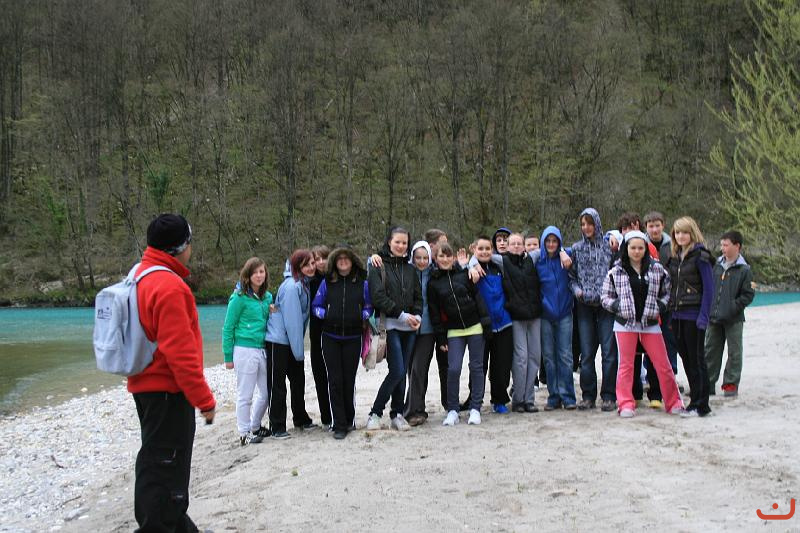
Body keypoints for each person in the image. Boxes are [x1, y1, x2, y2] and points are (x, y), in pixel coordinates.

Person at [128, 213, 216, 532]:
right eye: (190, 242)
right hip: (168, 392)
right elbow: (180, 354)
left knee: (156, 461)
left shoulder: (139, 275)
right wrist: (204, 401)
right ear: (181, 247)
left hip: (145, 387)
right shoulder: (169, 286)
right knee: (166, 469)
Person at [601, 231, 684, 418]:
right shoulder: (616, 271)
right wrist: (618, 306)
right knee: (626, 366)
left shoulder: (657, 270)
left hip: (650, 323)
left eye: (640, 248)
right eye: (633, 248)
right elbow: (605, 297)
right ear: (626, 248)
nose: (637, 251)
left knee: (663, 364)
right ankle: (625, 403)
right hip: (625, 324)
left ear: (646, 249)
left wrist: (659, 306)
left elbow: (667, 292)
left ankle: (674, 402)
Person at [311, 246, 372, 439]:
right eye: (340, 259)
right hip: (330, 337)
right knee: (335, 380)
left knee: (349, 380)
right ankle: (339, 424)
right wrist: (326, 314)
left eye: (347, 258)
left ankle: (349, 419)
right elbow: (316, 306)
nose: (343, 261)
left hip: (353, 338)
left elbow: (369, 306)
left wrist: (363, 314)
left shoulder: (362, 283)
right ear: (335, 262)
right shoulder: (327, 283)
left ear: (353, 261)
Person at [366, 226, 422, 431]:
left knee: (402, 372)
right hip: (390, 326)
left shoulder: (411, 269)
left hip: (410, 328)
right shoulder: (378, 265)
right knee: (397, 370)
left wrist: (417, 315)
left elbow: (418, 297)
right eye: (397, 242)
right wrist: (402, 315)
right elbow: (378, 296)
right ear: (389, 241)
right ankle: (375, 413)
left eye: (404, 242)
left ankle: (397, 414)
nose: (401, 246)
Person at [427, 243, 490, 426]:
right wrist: (441, 338)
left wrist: (485, 323)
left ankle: (475, 408)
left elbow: (478, 298)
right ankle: (453, 409)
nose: (445, 259)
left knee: (476, 367)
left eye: (448, 256)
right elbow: (435, 313)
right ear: (435, 259)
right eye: (441, 256)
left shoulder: (464, 274)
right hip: (453, 330)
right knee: (453, 369)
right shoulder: (433, 283)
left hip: (475, 326)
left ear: (453, 257)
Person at [265, 250, 317, 439]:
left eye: (312, 263)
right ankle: (277, 426)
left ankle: (300, 418)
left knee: (298, 381)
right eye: (306, 265)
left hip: (290, 340)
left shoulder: (304, 283)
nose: (311, 267)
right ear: (297, 267)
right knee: (277, 385)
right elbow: (293, 322)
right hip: (278, 341)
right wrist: (299, 352)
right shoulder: (292, 287)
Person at [569, 208, 615, 412]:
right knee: (587, 354)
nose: (586, 227)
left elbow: (617, 273)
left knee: (609, 353)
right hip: (584, 306)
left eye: (590, 223)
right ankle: (588, 396)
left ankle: (609, 396)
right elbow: (571, 277)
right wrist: (578, 291)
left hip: (606, 307)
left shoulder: (609, 247)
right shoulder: (576, 249)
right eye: (583, 224)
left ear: (597, 224)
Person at [222, 257, 272, 446]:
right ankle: (244, 433)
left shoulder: (267, 297)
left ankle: (255, 425)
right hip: (244, 350)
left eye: (262, 271)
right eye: (255, 272)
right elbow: (228, 328)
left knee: (266, 392)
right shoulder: (239, 298)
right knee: (245, 394)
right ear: (248, 275)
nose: (259, 275)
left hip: (262, 349)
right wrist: (228, 357)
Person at [667, 216, 714, 417]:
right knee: (686, 360)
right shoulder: (674, 257)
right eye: (677, 232)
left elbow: (709, 289)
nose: (681, 236)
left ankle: (701, 405)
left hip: (694, 315)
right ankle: (695, 400)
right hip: (677, 316)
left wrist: (703, 317)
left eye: (684, 232)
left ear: (692, 233)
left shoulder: (701, 256)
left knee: (696, 361)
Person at [705, 230, 755, 398]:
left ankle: (730, 384)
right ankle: (708, 384)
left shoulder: (744, 269)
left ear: (737, 246)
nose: (722, 248)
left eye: (726, 245)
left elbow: (748, 295)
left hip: (734, 318)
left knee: (734, 352)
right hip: (714, 316)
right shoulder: (716, 265)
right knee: (710, 350)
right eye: (722, 245)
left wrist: (733, 307)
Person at [532, 226, 577, 410]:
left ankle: (568, 396)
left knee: (565, 356)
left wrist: (564, 252)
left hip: (565, 313)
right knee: (549, 358)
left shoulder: (567, 256)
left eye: (554, 241)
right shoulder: (537, 261)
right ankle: (554, 396)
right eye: (548, 241)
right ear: (543, 242)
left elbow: (589, 244)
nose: (551, 244)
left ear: (559, 242)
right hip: (545, 315)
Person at [502, 233, 543, 413]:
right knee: (521, 359)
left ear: (524, 246)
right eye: (513, 243)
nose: (517, 246)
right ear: (507, 246)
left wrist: (564, 252)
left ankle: (529, 399)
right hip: (517, 316)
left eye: (519, 243)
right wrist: (471, 265)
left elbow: (553, 248)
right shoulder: (502, 261)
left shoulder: (531, 259)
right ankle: (518, 399)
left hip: (534, 315)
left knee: (535, 357)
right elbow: (478, 258)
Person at [404, 241, 436, 426]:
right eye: (418, 258)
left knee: (419, 369)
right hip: (409, 327)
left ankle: (411, 411)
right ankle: (418, 409)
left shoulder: (434, 273)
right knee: (412, 371)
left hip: (428, 330)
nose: (422, 261)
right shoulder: (408, 272)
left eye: (425, 258)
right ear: (412, 258)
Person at [644, 211, 680, 376]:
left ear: (663, 226)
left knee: (669, 339)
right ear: (646, 227)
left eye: (657, 226)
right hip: (647, 301)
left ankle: (671, 374)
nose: (654, 230)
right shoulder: (640, 243)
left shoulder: (672, 245)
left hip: (669, 300)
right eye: (651, 226)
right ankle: (650, 376)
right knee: (648, 341)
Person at [309, 245, 332, 430]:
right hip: (316, 334)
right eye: (317, 259)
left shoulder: (336, 277)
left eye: (324, 257)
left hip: (335, 333)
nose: (321, 262)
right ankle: (326, 418)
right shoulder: (308, 281)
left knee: (336, 376)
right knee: (320, 376)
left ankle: (339, 414)